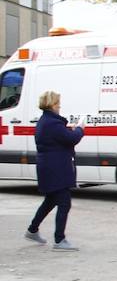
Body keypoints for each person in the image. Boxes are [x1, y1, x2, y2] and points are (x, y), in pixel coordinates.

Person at [24, 91, 86, 251]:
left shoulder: (46, 121)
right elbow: (72, 139)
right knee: (64, 202)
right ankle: (59, 240)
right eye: (58, 103)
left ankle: (32, 229)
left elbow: (61, 137)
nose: (59, 106)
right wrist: (80, 129)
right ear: (52, 105)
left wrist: (68, 130)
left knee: (50, 200)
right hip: (56, 168)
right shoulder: (52, 123)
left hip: (48, 167)